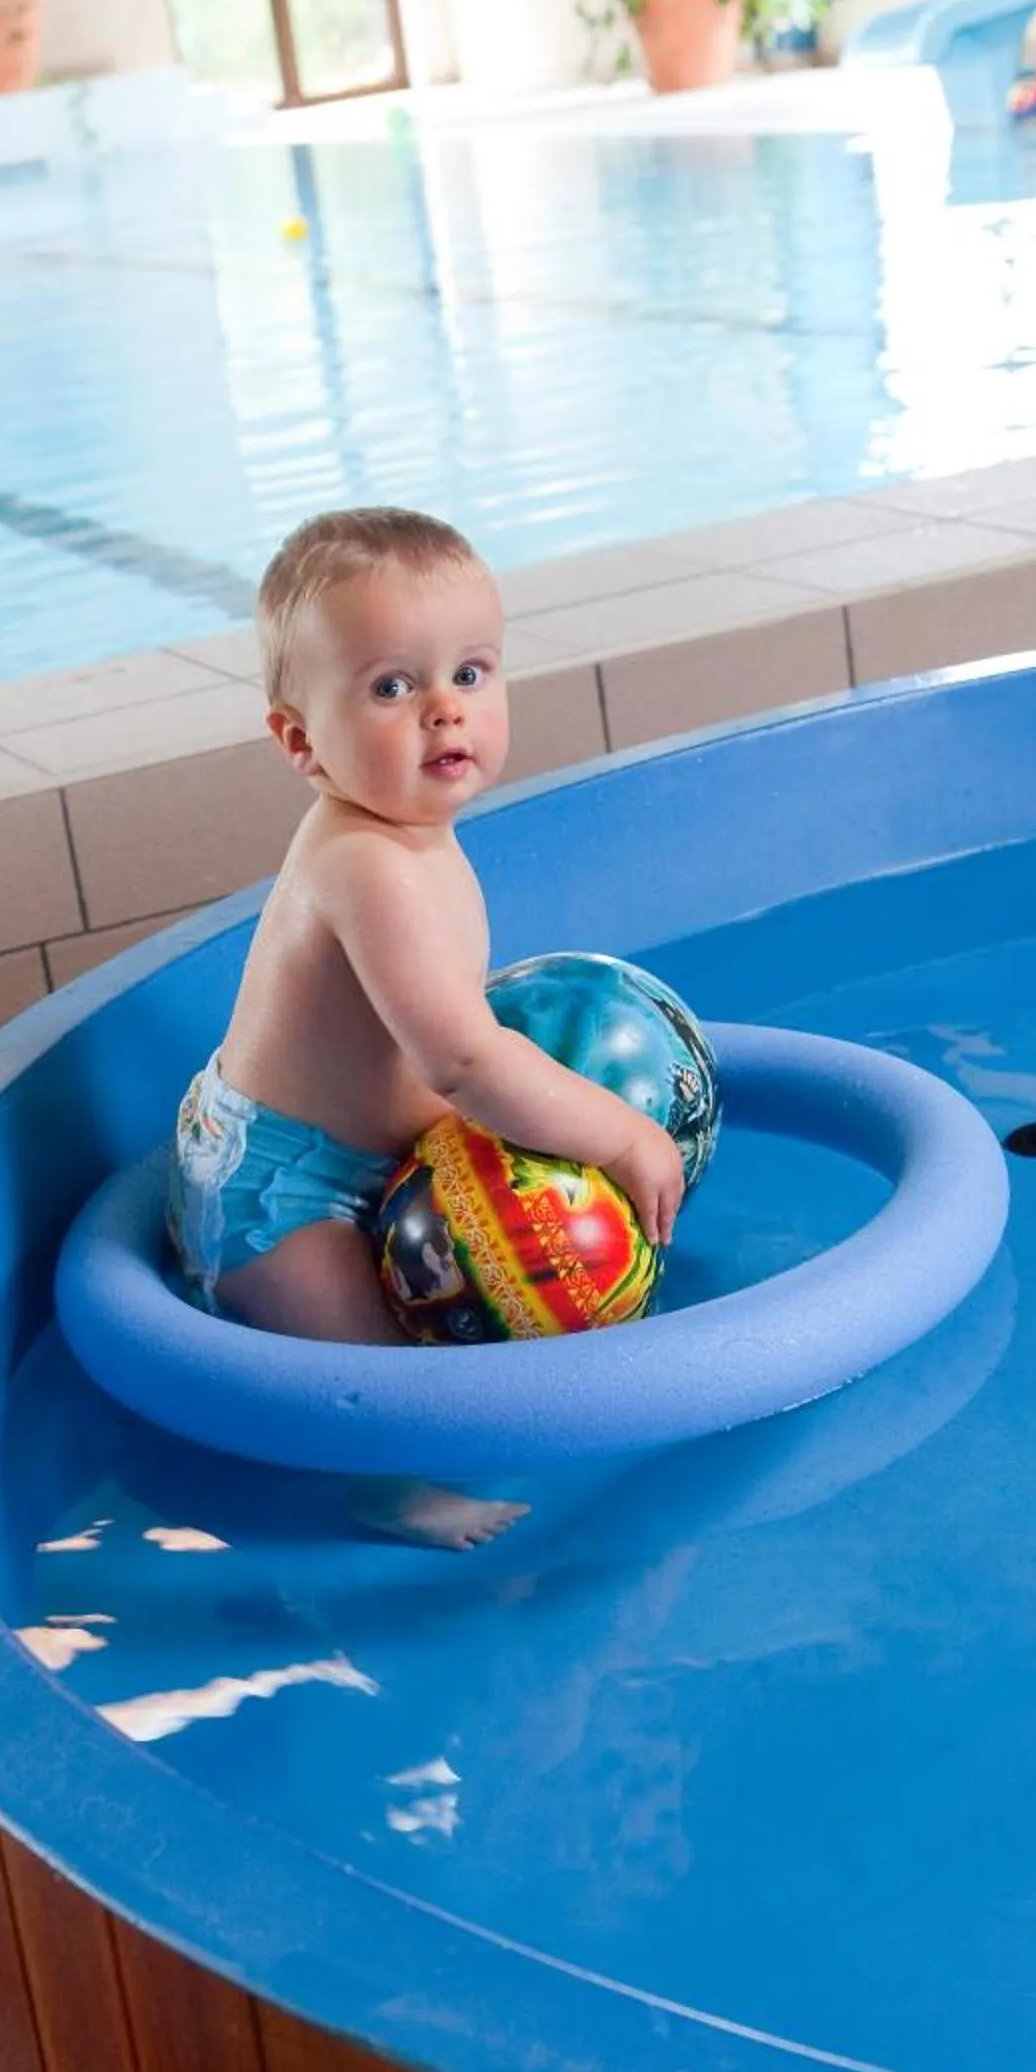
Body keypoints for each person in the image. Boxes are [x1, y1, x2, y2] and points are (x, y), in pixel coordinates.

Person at [167, 506, 684, 1547]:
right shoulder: (364, 863)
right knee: (384, 1389)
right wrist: (620, 1133)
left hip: (365, 1154)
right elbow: (456, 1057)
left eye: (471, 673)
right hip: (279, 1191)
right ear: (300, 740)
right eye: (392, 688)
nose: (443, 712)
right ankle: (386, 1493)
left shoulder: (411, 830)